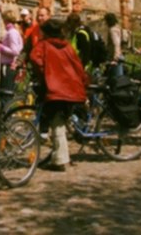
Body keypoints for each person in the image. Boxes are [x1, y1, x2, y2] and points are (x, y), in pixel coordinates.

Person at [30, 18, 87, 172]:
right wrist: (84, 82)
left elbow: (34, 58)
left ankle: (61, 160)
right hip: (70, 88)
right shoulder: (67, 46)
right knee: (60, 121)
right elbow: (78, 66)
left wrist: (44, 73)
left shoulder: (43, 45)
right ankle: (58, 156)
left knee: (57, 123)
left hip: (54, 88)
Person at [0, 9, 23, 102]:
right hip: (7, 65)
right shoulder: (12, 31)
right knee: (4, 92)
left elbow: (15, 51)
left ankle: (5, 112)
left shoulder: (12, 33)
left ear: (5, 20)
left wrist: (0, 47)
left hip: (8, 66)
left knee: (6, 93)